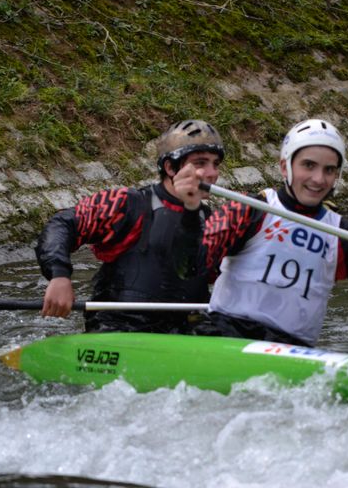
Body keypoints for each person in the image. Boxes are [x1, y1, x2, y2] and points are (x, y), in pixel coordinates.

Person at [172, 118, 348, 347]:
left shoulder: (343, 235)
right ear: (285, 166)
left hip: (292, 348)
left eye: (329, 170)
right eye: (308, 166)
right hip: (225, 335)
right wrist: (188, 211)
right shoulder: (248, 210)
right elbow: (187, 270)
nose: (319, 179)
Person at [35, 119, 225, 333]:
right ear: (170, 167)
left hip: (185, 330)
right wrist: (59, 275)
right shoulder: (126, 204)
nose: (212, 173)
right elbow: (62, 224)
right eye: (200, 163)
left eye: (215, 164)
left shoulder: (211, 221)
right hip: (122, 327)